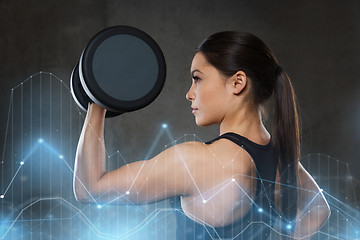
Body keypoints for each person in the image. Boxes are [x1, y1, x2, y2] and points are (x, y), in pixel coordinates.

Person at [73, 31, 331, 239]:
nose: (190, 93)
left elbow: (90, 189)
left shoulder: (197, 162)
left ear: (237, 83)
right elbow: (319, 209)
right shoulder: (283, 159)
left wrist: (99, 100)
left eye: (197, 79)